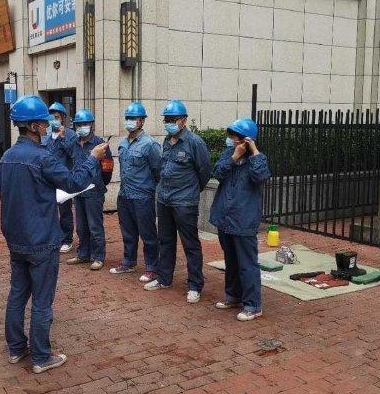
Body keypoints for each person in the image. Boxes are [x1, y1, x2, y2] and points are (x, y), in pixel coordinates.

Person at [0, 95, 109, 374]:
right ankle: (41, 356)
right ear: (33, 126)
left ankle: (16, 348)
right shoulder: (42, 158)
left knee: (17, 294)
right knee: (42, 300)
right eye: (44, 125)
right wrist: (93, 159)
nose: (48, 128)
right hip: (41, 239)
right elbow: (74, 181)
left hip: (16, 238)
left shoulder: (6, 158)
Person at [144, 100, 211, 304]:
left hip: (184, 203)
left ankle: (195, 285)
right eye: (167, 120)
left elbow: (204, 172)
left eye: (173, 119)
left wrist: (191, 191)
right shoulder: (166, 141)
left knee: (190, 245)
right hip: (164, 199)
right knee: (165, 241)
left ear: (184, 120)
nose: (169, 123)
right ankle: (164, 278)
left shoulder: (195, 143)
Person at [210, 118, 270, 321]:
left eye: (234, 136)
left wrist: (254, 152)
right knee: (231, 261)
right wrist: (234, 157)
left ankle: (253, 304)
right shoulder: (229, 155)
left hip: (244, 219)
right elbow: (217, 172)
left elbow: (261, 177)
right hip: (225, 218)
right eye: (230, 135)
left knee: (247, 264)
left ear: (246, 139)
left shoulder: (257, 159)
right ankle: (233, 296)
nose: (231, 140)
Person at [109, 102, 161, 282]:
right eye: (128, 118)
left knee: (148, 234)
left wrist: (148, 188)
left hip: (142, 196)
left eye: (134, 118)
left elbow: (158, 171)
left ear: (142, 121)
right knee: (128, 232)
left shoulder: (150, 144)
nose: (130, 121)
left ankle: (152, 268)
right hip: (124, 195)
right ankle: (128, 262)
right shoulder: (123, 143)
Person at [66, 108, 113, 271]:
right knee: (81, 226)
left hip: (94, 191)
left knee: (95, 225)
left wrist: (100, 183)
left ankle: (98, 256)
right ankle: (83, 254)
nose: (82, 127)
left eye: (85, 124)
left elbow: (107, 169)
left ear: (91, 124)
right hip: (79, 191)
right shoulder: (73, 144)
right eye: (79, 124)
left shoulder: (100, 144)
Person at [45, 102, 77, 253]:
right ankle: (53, 237)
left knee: (65, 211)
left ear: (62, 118)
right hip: (48, 179)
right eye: (51, 117)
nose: (54, 120)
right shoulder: (46, 135)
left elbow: (74, 154)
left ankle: (67, 239)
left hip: (63, 178)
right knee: (48, 210)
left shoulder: (71, 135)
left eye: (56, 117)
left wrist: (63, 138)